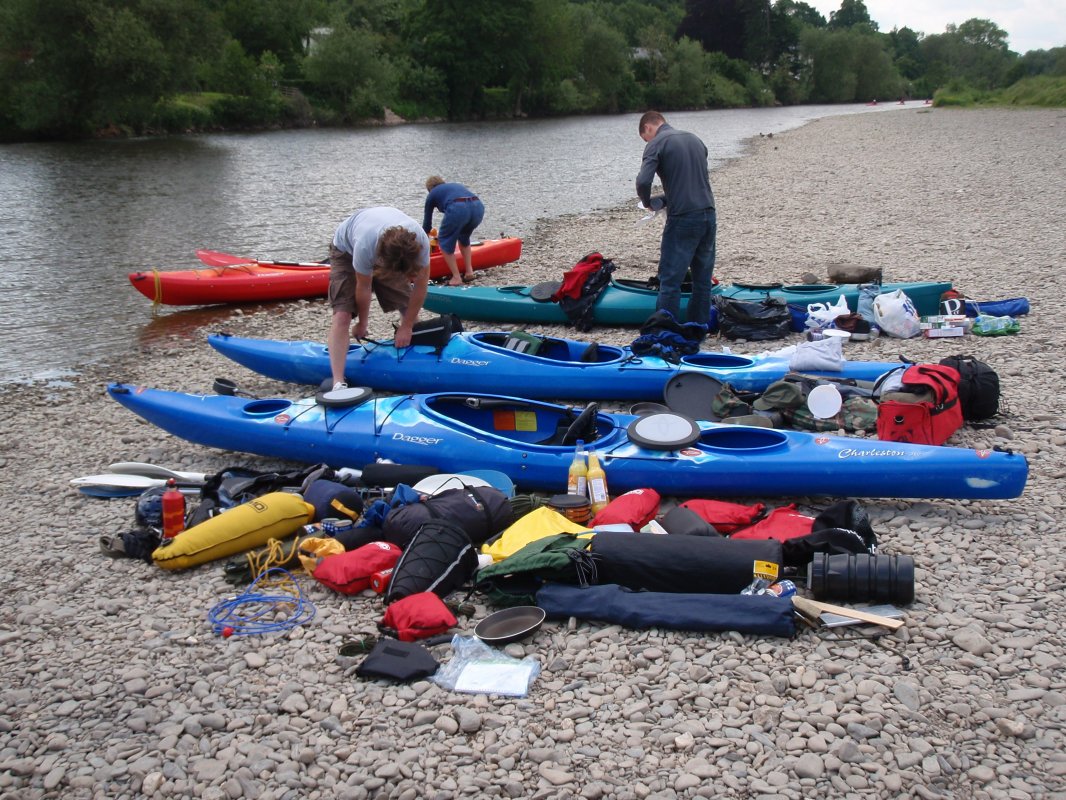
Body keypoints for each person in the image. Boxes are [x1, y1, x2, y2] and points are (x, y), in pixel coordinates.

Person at [327, 207, 431, 390]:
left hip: (393, 250)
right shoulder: (365, 246)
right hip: (345, 250)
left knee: (408, 308)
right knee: (342, 315)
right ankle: (337, 381)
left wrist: (406, 327)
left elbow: (421, 287)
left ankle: (414, 362)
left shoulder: (420, 242)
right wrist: (362, 324)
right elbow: (364, 287)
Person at [635, 111, 717, 325]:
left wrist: (645, 202)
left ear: (649, 128)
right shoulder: (695, 140)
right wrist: (662, 200)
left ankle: (666, 331)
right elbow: (688, 182)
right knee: (702, 280)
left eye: (646, 138)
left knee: (670, 281)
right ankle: (698, 329)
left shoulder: (657, 143)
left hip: (683, 219)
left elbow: (643, 181)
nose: (648, 141)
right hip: (708, 213)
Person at [422, 176, 485, 286]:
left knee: (444, 240)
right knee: (464, 237)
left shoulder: (432, 194)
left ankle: (456, 277)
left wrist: (423, 245)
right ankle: (469, 272)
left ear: (429, 189)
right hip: (477, 207)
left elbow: (427, 225)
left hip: (458, 208)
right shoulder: (455, 186)